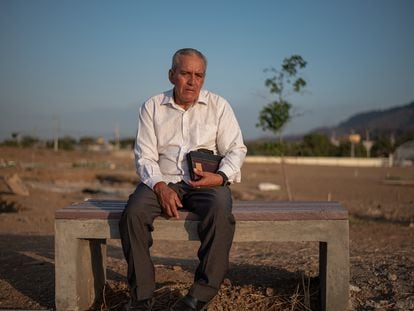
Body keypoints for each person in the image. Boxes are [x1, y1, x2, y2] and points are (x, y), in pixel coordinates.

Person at [119, 48, 247, 311]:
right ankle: (142, 297)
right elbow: (144, 156)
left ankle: (200, 295)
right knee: (133, 214)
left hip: (206, 182)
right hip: (162, 180)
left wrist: (220, 176)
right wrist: (160, 186)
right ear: (171, 75)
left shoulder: (219, 106)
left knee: (221, 211)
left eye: (199, 75)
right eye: (185, 73)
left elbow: (236, 149)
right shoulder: (152, 106)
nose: (192, 81)